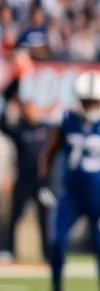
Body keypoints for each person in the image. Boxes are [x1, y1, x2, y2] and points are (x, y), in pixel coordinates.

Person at [37, 71, 100, 291]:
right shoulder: (65, 117)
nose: (90, 106)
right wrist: (44, 183)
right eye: (86, 101)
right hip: (71, 195)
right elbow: (49, 151)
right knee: (57, 241)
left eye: (94, 101)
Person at [0, 91, 53, 264]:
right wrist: (8, 101)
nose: (31, 112)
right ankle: (7, 251)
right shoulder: (20, 129)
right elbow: (3, 125)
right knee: (14, 217)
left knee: (44, 219)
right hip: (23, 180)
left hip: (41, 182)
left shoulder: (46, 128)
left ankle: (47, 254)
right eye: (27, 109)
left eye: (33, 108)